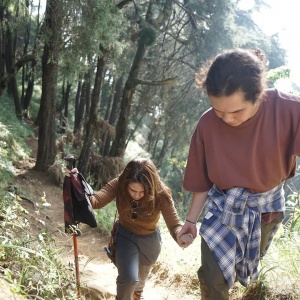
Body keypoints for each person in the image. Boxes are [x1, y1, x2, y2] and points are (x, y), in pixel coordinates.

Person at [177, 48, 300, 299]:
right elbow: (201, 181)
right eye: (218, 110)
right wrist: (190, 222)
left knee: (238, 270)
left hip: (264, 209)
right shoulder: (207, 124)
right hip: (222, 208)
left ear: (259, 95)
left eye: (236, 111)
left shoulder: (289, 111)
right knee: (212, 278)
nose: (226, 119)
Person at [68, 157, 192, 300]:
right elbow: (95, 201)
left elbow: (174, 224)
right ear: (126, 183)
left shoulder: (161, 193)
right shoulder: (119, 184)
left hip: (150, 242)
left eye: (142, 192)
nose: (137, 195)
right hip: (125, 236)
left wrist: (180, 235)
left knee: (139, 281)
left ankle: (137, 294)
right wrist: (76, 183)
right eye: (133, 190)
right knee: (128, 279)